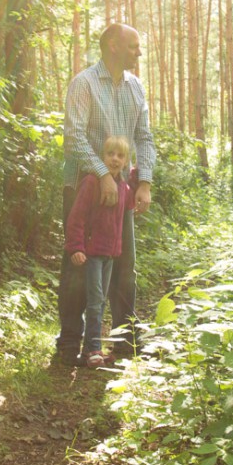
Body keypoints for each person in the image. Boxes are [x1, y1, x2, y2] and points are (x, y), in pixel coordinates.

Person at [57, 23, 156, 366]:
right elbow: (73, 138)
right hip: (84, 187)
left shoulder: (136, 87)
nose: (138, 53)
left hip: (120, 194)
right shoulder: (83, 84)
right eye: (133, 46)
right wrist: (102, 174)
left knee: (123, 263)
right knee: (78, 265)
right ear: (112, 46)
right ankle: (70, 345)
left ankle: (125, 341)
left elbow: (144, 137)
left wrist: (143, 182)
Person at [65, 136, 132, 368]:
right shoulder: (92, 182)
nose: (114, 159)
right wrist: (76, 247)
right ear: (103, 157)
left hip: (110, 254)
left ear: (125, 162)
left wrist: (143, 179)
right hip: (92, 252)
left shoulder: (123, 187)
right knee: (95, 301)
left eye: (120, 156)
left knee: (100, 301)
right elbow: (77, 217)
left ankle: (91, 349)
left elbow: (130, 204)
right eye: (110, 154)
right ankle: (92, 349)